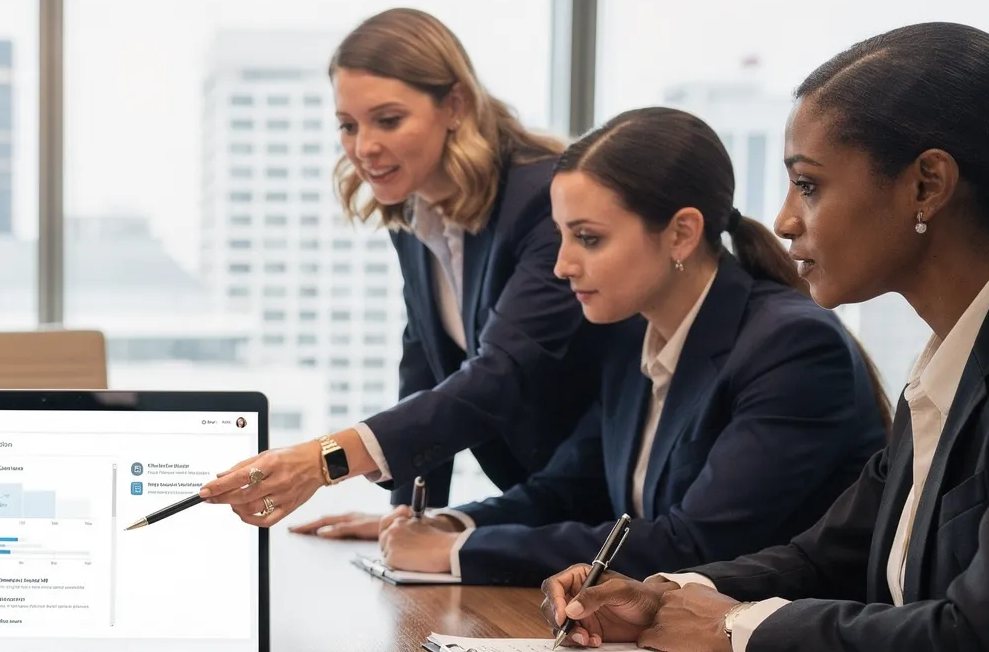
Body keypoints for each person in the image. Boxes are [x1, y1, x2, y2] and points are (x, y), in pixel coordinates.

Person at [542, 23, 989, 652]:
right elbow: (826, 559)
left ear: (927, 185)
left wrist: (732, 626)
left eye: (808, 184)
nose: (783, 220)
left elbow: (980, 649)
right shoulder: (957, 352)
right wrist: (662, 593)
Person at [375, 107, 886, 585]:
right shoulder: (629, 334)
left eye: (589, 238)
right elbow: (568, 488)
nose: (562, 265)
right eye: (561, 238)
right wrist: (451, 524)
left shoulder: (792, 347)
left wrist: (458, 554)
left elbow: (694, 545)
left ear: (682, 234)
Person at [198, 8, 624, 531]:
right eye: (348, 126)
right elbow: (424, 363)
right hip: (541, 505)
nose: (364, 147)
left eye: (388, 120)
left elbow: (500, 376)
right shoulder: (415, 212)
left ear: (455, 104)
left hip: (613, 504)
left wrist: (321, 460)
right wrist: (406, 519)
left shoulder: (542, 201)